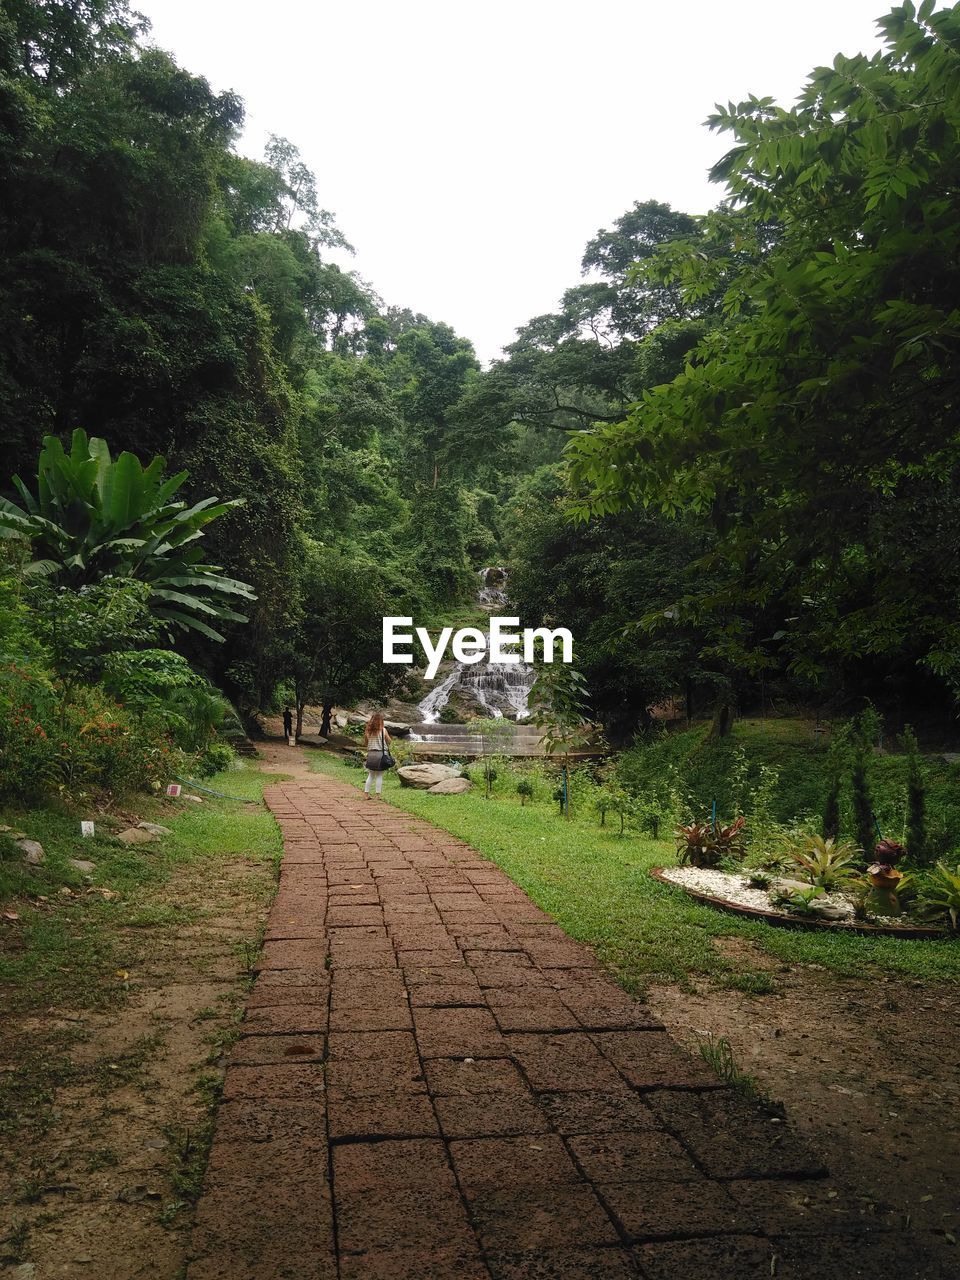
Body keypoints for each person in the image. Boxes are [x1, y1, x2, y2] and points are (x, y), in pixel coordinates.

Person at [363, 711, 392, 797]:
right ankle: (378, 795)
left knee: (371, 775)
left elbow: (366, 743)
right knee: (379, 775)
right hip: (380, 755)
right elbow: (389, 741)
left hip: (371, 754)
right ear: (381, 721)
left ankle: (366, 794)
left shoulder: (368, 731)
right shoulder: (383, 730)